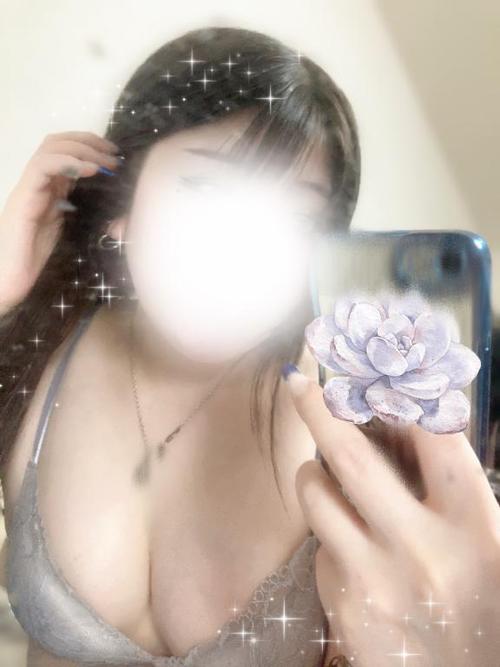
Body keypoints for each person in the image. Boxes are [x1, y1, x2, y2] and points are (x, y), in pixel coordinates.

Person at [0, 26, 361, 667]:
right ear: (121, 204)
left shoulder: (346, 404)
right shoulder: (39, 343)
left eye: (296, 218)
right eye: (207, 187)